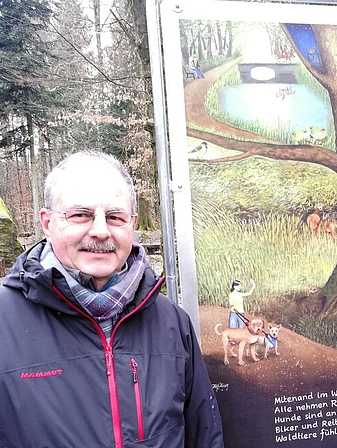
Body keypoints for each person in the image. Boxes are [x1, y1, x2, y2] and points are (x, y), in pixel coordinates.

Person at [0, 151, 224, 447]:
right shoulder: (5, 320)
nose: (101, 231)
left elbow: (203, 434)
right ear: (47, 222)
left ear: (132, 224)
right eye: (80, 215)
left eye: (115, 217)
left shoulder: (170, 321)